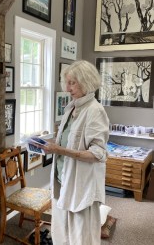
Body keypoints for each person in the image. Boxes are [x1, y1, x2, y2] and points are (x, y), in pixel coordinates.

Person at [38, 60, 109, 245]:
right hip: (63, 178)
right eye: (67, 83)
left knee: (81, 235)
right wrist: (53, 144)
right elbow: (69, 140)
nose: (68, 88)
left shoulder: (95, 111)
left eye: (72, 83)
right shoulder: (71, 107)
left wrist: (59, 149)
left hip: (82, 183)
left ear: (86, 82)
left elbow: (97, 153)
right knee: (61, 231)